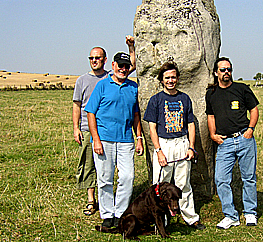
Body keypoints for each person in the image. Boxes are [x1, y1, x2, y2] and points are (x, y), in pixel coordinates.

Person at [72, 36, 136, 216]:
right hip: (90, 129)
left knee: (117, 174)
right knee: (93, 168)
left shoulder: (114, 77)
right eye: (91, 58)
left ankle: (118, 210)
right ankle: (93, 202)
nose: (94, 61)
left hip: (118, 135)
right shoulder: (83, 80)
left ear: (105, 61)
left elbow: (131, 65)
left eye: (98, 58)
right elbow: (78, 105)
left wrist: (131, 47)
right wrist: (76, 127)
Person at [85, 50, 144, 230]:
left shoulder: (133, 88)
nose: (123, 69)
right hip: (104, 139)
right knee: (105, 178)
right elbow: (90, 113)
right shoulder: (102, 86)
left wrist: (139, 138)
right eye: (120, 65)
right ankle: (107, 214)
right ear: (113, 66)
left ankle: (121, 212)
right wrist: (95, 139)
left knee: (127, 176)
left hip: (126, 139)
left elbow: (136, 115)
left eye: (126, 66)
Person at [143, 61, 206, 230]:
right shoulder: (155, 100)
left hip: (182, 143)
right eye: (167, 78)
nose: (171, 80)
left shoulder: (184, 98)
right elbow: (152, 127)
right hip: (164, 145)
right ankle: (160, 221)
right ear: (162, 80)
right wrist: (158, 151)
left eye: (173, 77)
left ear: (177, 78)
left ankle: (191, 218)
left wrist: (191, 147)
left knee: (183, 183)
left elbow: (191, 124)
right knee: (160, 186)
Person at [205, 57, 259, 229]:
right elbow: (211, 115)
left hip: (244, 138)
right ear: (216, 73)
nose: (226, 72)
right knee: (220, 179)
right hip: (225, 142)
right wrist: (213, 134)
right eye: (222, 69)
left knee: (248, 178)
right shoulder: (211, 94)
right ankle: (230, 215)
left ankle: (250, 212)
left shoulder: (241, 89)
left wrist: (250, 129)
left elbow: (254, 109)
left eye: (229, 69)